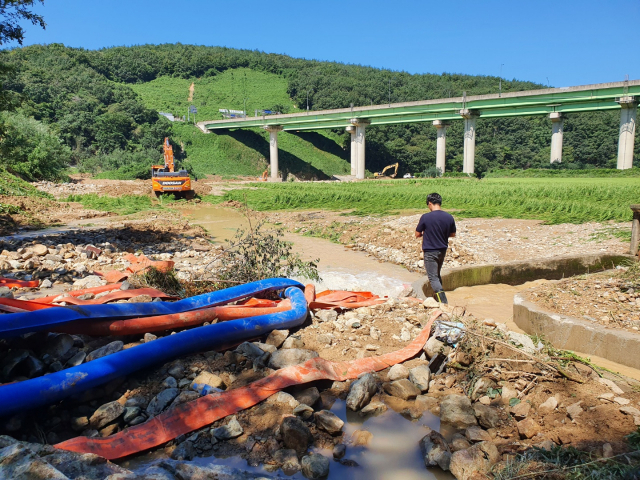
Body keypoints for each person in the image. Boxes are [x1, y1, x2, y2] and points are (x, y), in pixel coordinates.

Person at [415, 192, 456, 304]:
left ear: (429, 203)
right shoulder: (449, 217)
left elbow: (417, 234)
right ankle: (436, 299)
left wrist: (427, 232)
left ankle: (444, 303)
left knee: (433, 278)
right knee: (436, 276)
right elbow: (452, 234)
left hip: (430, 251)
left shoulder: (426, 217)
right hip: (442, 251)